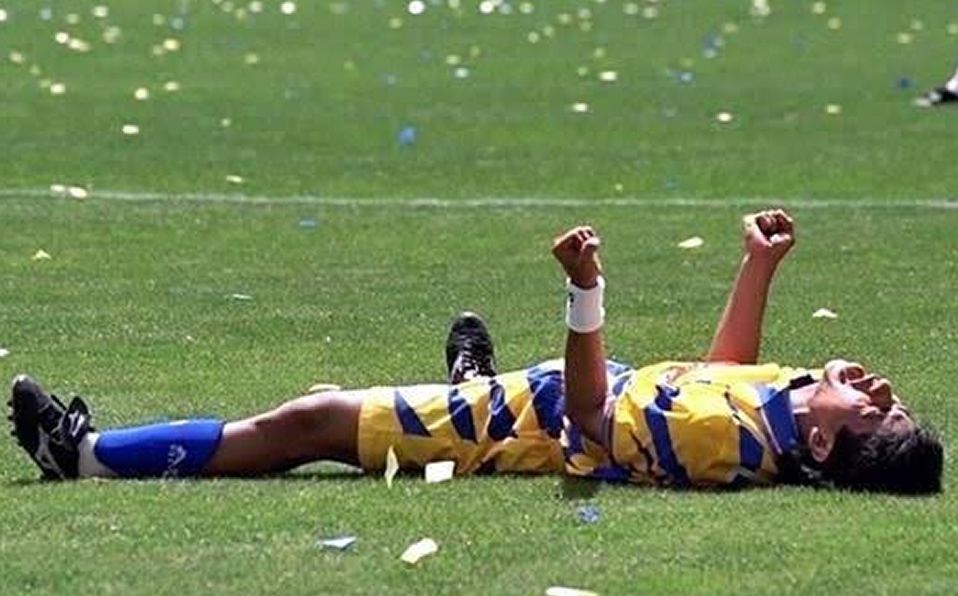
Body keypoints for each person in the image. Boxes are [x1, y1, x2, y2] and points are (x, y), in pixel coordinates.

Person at [8, 210, 943, 493]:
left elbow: (583, 418)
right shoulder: (768, 409)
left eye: (874, 409)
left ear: (822, 447)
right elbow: (717, 371)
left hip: (529, 421)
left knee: (311, 419)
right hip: (539, 395)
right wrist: (756, 269)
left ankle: (80, 456)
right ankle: (465, 381)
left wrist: (585, 294)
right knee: (340, 407)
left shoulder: (718, 445)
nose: (877, 384)